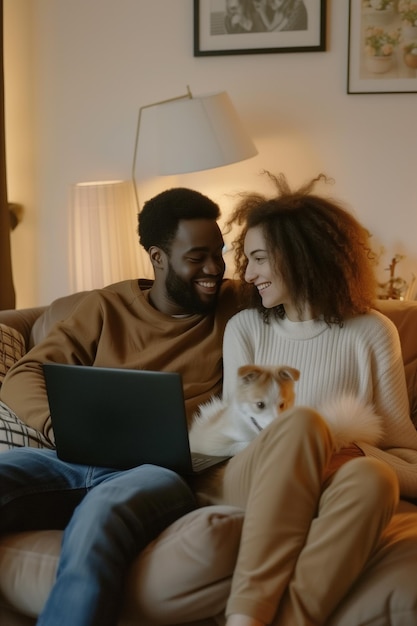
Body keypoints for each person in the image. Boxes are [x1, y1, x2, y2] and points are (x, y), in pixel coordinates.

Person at [0, 187, 242, 626]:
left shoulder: (237, 306)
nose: (214, 269)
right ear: (158, 257)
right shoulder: (107, 307)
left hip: (160, 472)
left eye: (220, 253)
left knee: (102, 515)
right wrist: (59, 428)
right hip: (71, 459)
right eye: (198, 257)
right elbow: (23, 376)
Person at [196, 172, 417, 626]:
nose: (248, 273)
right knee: (300, 424)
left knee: (375, 478)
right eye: (248, 258)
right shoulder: (246, 329)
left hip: (333, 487)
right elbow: (234, 435)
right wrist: (307, 446)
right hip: (248, 474)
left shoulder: (373, 333)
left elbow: (406, 457)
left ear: (302, 258)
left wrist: (351, 454)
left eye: (259, 258)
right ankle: (245, 614)